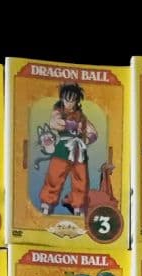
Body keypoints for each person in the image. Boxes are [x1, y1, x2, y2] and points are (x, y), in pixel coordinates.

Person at [39, 83, 97, 215]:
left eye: (72, 100)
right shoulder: (58, 111)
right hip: (63, 150)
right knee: (54, 176)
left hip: (79, 151)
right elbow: (54, 124)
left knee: (81, 180)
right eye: (66, 100)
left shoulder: (81, 116)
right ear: (62, 99)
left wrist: (88, 139)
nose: (69, 103)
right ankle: (47, 202)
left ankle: (78, 205)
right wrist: (72, 125)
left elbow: (93, 132)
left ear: (77, 101)